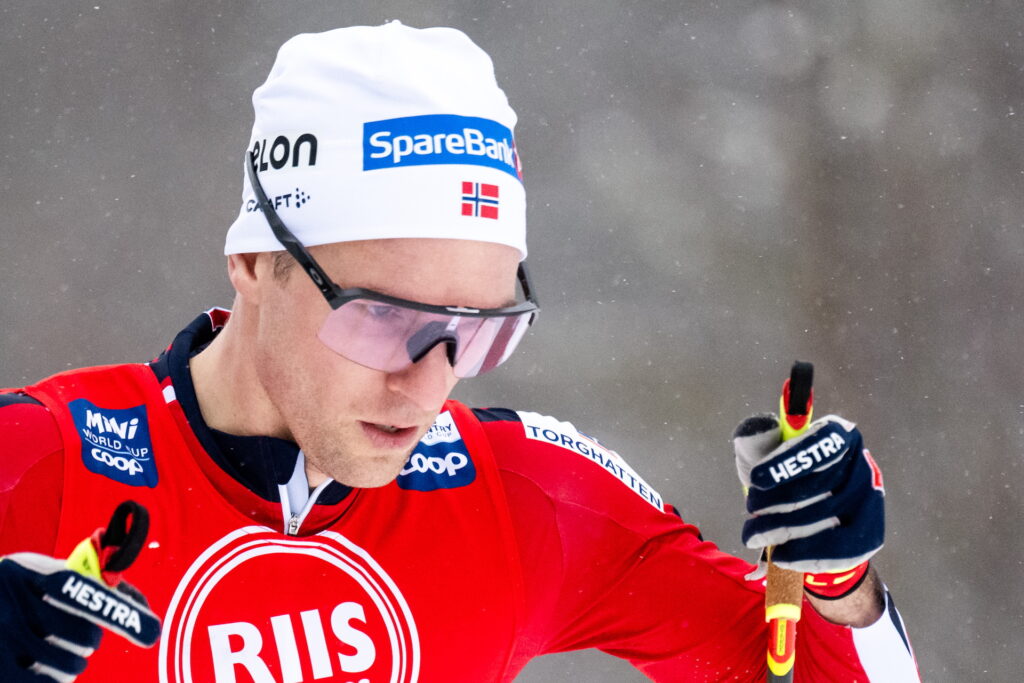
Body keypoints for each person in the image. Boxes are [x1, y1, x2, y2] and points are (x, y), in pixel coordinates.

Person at [0, 22, 920, 682]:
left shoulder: (518, 497)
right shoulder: (38, 464)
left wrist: (838, 583)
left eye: (475, 332)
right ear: (252, 258)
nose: (427, 385)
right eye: (385, 319)